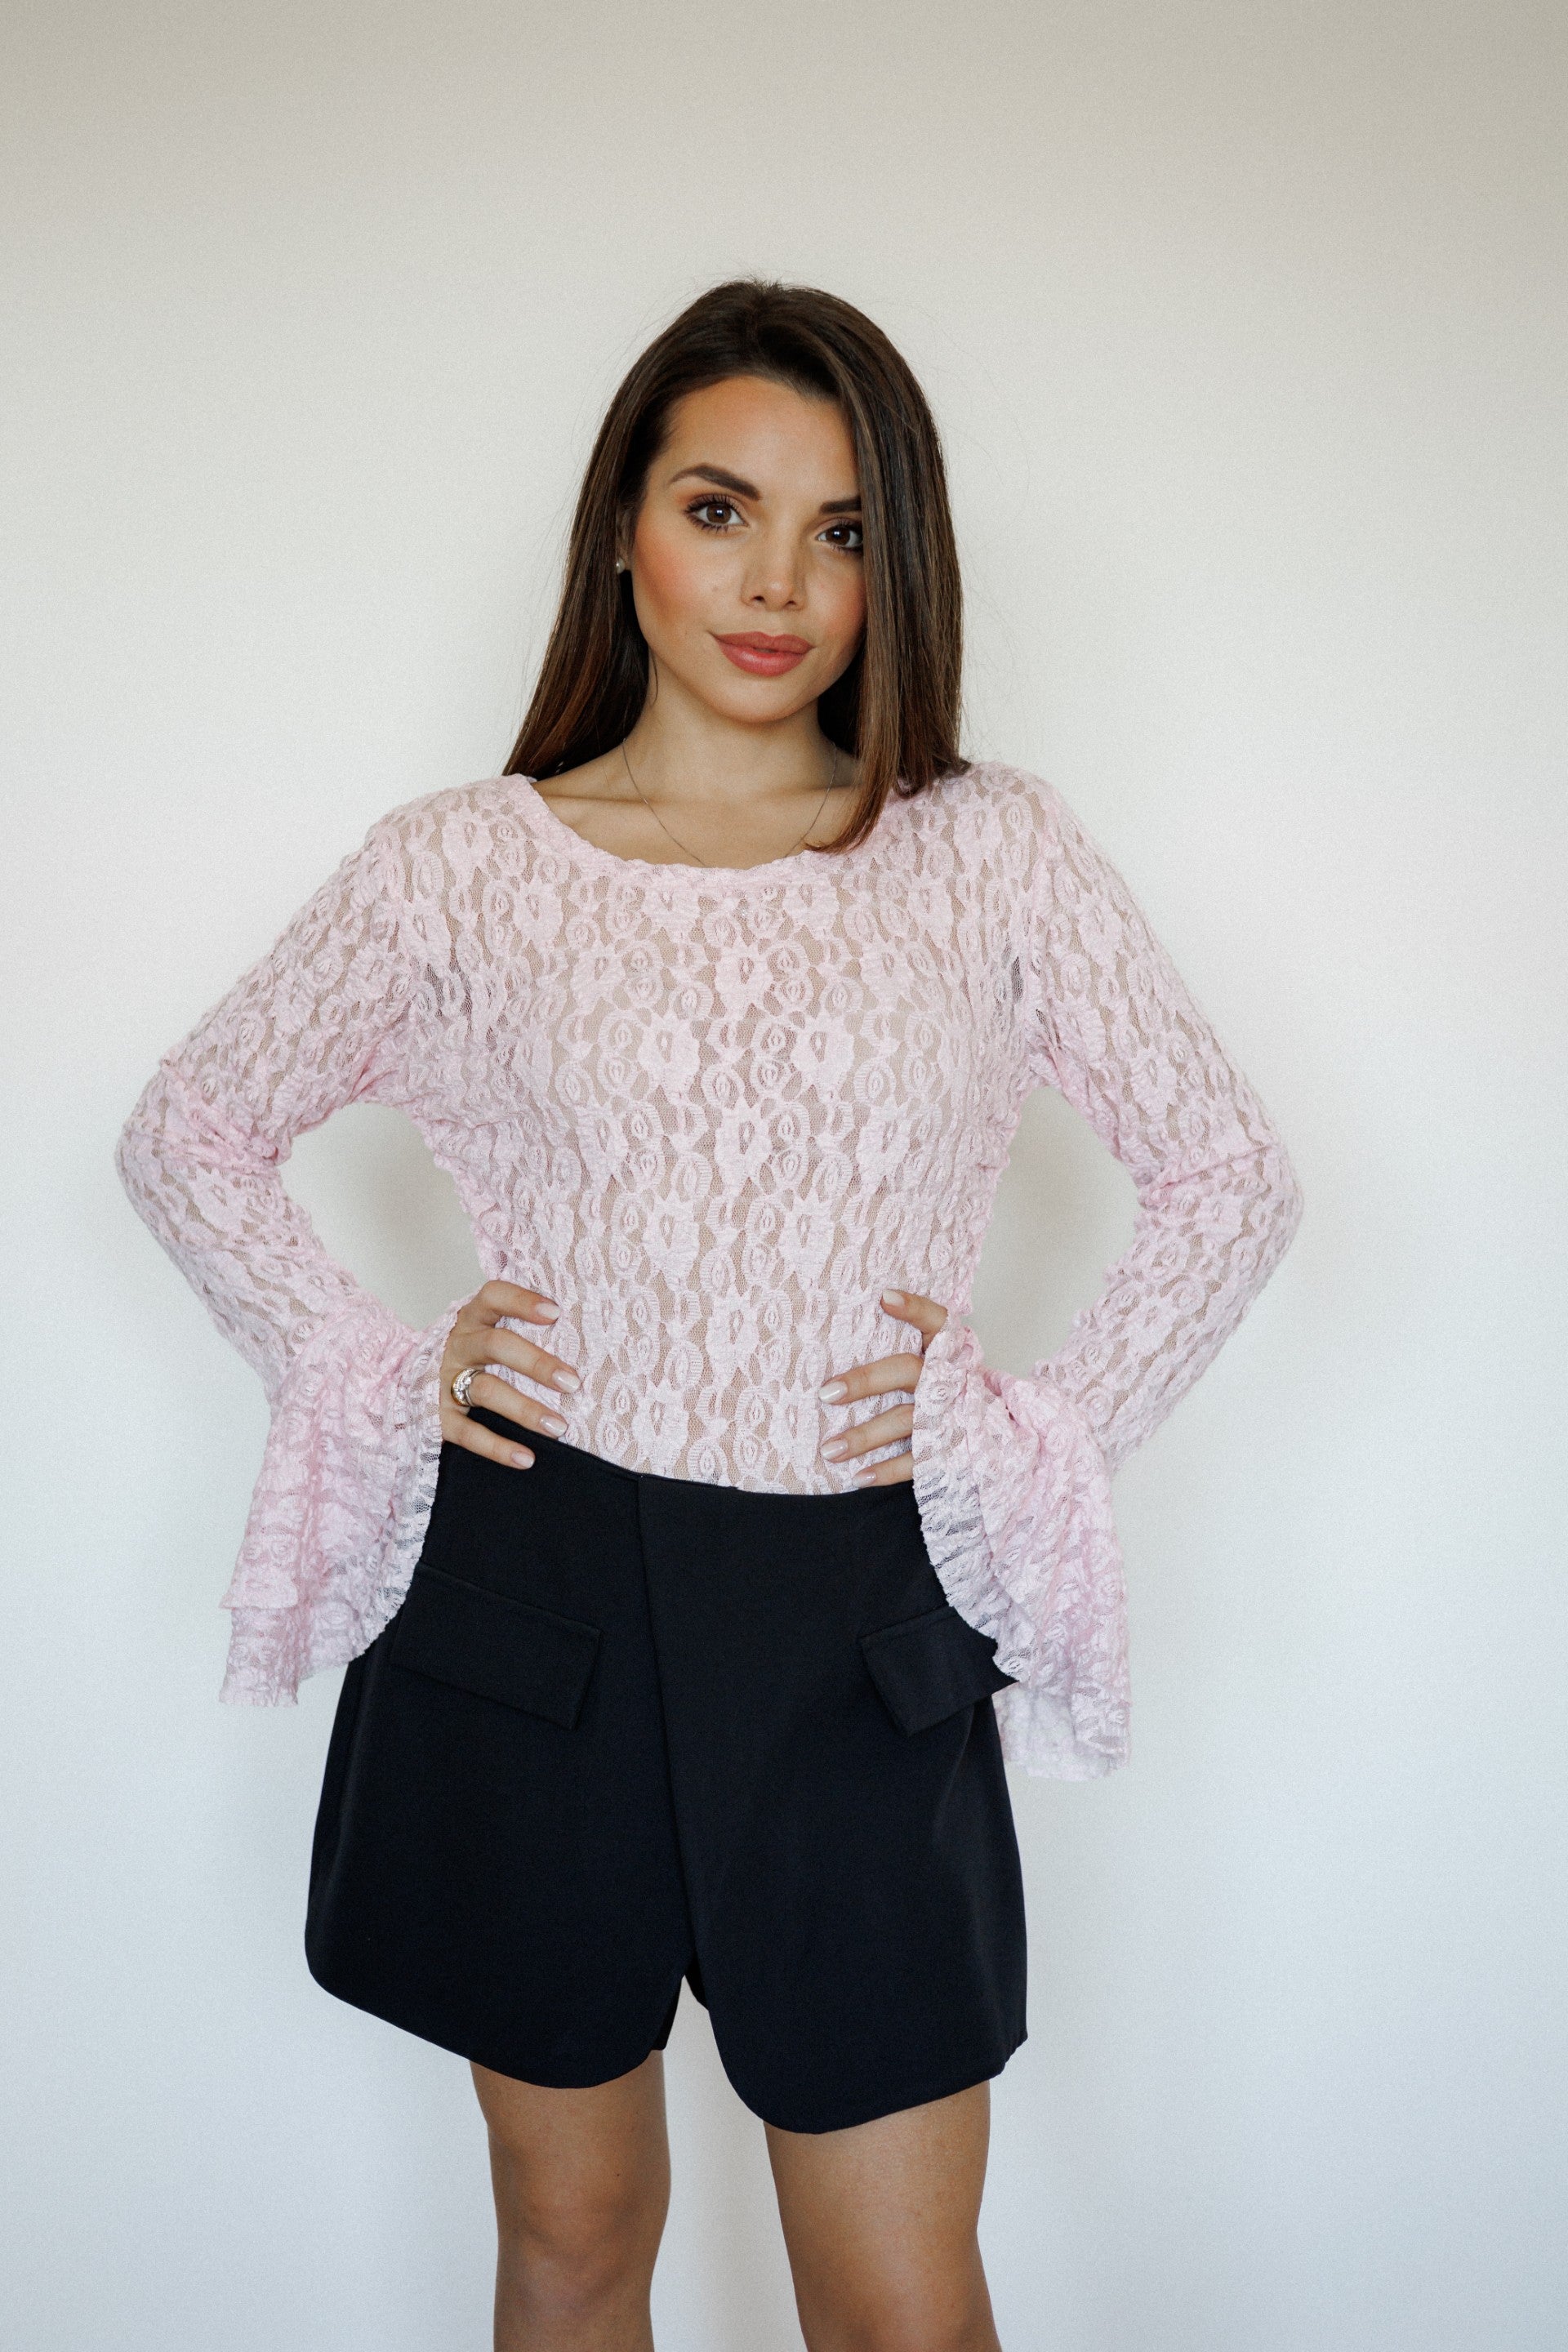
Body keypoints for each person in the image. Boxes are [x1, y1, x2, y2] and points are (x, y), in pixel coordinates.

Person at [115, 277, 1303, 2352]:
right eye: (719, 508)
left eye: (841, 530)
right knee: (575, 2242)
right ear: (622, 530)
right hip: (533, 1592)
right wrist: (370, 1370)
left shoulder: (989, 852)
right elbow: (187, 1131)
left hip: (859, 1621)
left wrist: (1024, 1439)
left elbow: (1231, 1173)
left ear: (897, 562)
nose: (777, 585)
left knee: (902, 2304)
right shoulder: (460, 869)